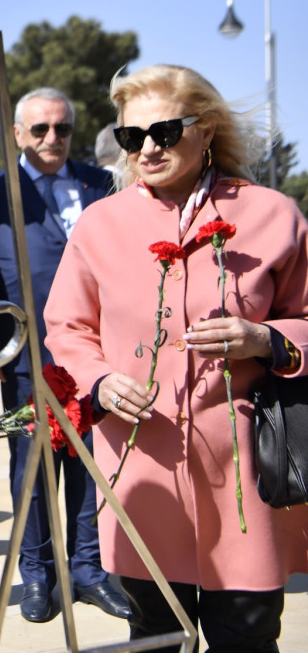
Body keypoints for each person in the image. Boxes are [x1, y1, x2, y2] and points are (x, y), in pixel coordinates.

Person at [45, 64, 308, 652]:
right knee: (154, 639)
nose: (147, 148)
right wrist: (101, 381)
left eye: (164, 131)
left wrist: (264, 339)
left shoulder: (274, 215)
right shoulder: (98, 226)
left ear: (206, 129)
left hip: (245, 476)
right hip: (140, 476)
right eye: (131, 137)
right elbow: (66, 327)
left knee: (248, 637)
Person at [0, 88, 128, 622]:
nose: (51, 139)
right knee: (32, 471)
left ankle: (90, 569)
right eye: (39, 129)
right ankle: (37, 576)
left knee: (90, 468)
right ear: (17, 134)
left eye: (61, 128)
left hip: (93, 356)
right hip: (26, 357)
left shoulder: (100, 183)